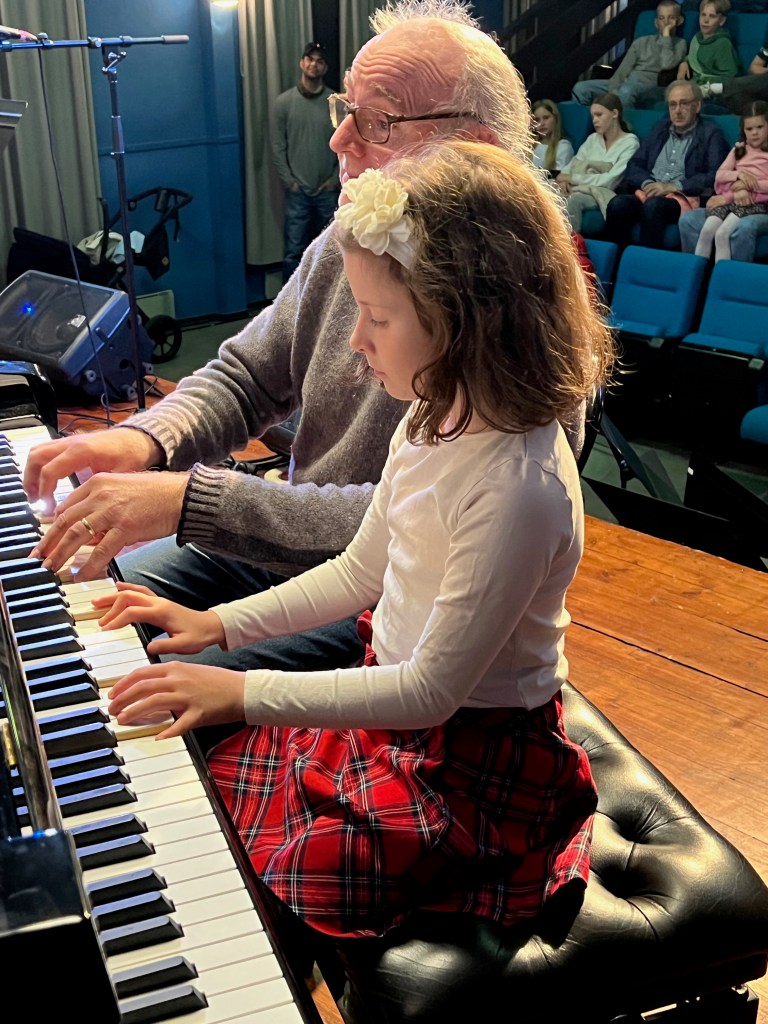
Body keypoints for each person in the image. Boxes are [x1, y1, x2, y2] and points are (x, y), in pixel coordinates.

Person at [95, 139, 613, 947]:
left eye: (378, 317)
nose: (355, 340)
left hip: (471, 759)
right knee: (227, 793)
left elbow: (430, 693)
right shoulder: (432, 414)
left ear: (464, 320)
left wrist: (240, 690)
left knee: (291, 865)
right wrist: (220, 626)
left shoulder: (518, 486)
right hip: (396, 712)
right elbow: (360, 569)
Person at [26, 1, 555, 689]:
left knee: (143, 686)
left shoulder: (527, 298)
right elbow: (246, 375)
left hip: (390, 598)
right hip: (281, 550)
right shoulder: (352, 237)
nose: (339, 139)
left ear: (474, 146)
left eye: (377, 120)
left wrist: (192, 501)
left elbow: (413, 520)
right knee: (69, 600)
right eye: (346, 108)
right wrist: (145, 440)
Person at [601, 80, 729, 248]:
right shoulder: (660, 128)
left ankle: (647, 260)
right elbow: (635, 164)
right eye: (672, 105)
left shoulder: (710, 133)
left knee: (653, 206)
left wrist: (673, 186)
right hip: (650, 192)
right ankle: (617, 260)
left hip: (682, 197)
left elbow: (714, 175)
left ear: (697, 106)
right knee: (617, 204)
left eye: (684, 104)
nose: (677, 111)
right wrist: (648, 183)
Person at [272, 42, 341, 283]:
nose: (314, 64)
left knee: (332, 250)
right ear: (302, 63)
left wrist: (334, 180)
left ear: (325, 68)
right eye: (310, 59)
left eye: (320, 61)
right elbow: (278, 147)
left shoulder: (335, 103)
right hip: (298, 193)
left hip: (328, 192)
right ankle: (289, 302)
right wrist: (290, 182)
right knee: (294, 251)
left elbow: (345, 145)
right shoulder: (283, 103)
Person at [683, 100, 768, 260]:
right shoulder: (739, 149)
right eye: (749, 129)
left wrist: (747, 186)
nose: (755, 133)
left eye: (760, 127)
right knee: (707, 230)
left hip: (755, 204)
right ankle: (697, 271)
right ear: (743, 130)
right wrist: (738, 175)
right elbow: (720, 175)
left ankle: (722, 274)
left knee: (722, 234)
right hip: (732, 200)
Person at [571, 1, 687, 109]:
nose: (666, 22)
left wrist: (666, 38)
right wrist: (613, 90)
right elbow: (624, 69)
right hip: (627, 82)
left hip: (647, 86)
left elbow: (667, 64)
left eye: (671, 18)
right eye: (662, 18)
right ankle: (589, 121)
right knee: (581, 88)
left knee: (626, 91)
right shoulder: (641, 42)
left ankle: (622, 122)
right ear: (656, 23)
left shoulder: (680, 44)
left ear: (679, 21)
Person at [555, 93, 640, 232]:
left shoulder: (630, 143)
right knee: (550, 192)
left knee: (575, 199)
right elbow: (573, 164)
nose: (595, 120)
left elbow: (610, 181)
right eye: (593, 116)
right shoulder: (593, 139)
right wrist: (564, 179)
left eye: (599, 115)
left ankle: (570, 243)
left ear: (615, 113)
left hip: (604, 192)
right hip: (579, 186)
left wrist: (572, 178)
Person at [676, 0, 741, 100]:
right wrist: (684, 62)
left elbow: (730, 77)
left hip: (713, 94)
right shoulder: (696, 38)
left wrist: (706, 84)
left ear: (722, 21)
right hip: (693, 86)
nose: (705, 20)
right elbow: (693, 56)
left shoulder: (723, 44)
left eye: (712, 16)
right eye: (703, 15)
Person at [532, 98, 574, 176]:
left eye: (546, 118)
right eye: (537, 120)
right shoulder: (529, 146)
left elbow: (559, 177)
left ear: (555, 119)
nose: (541, 123)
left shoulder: (563, 147)